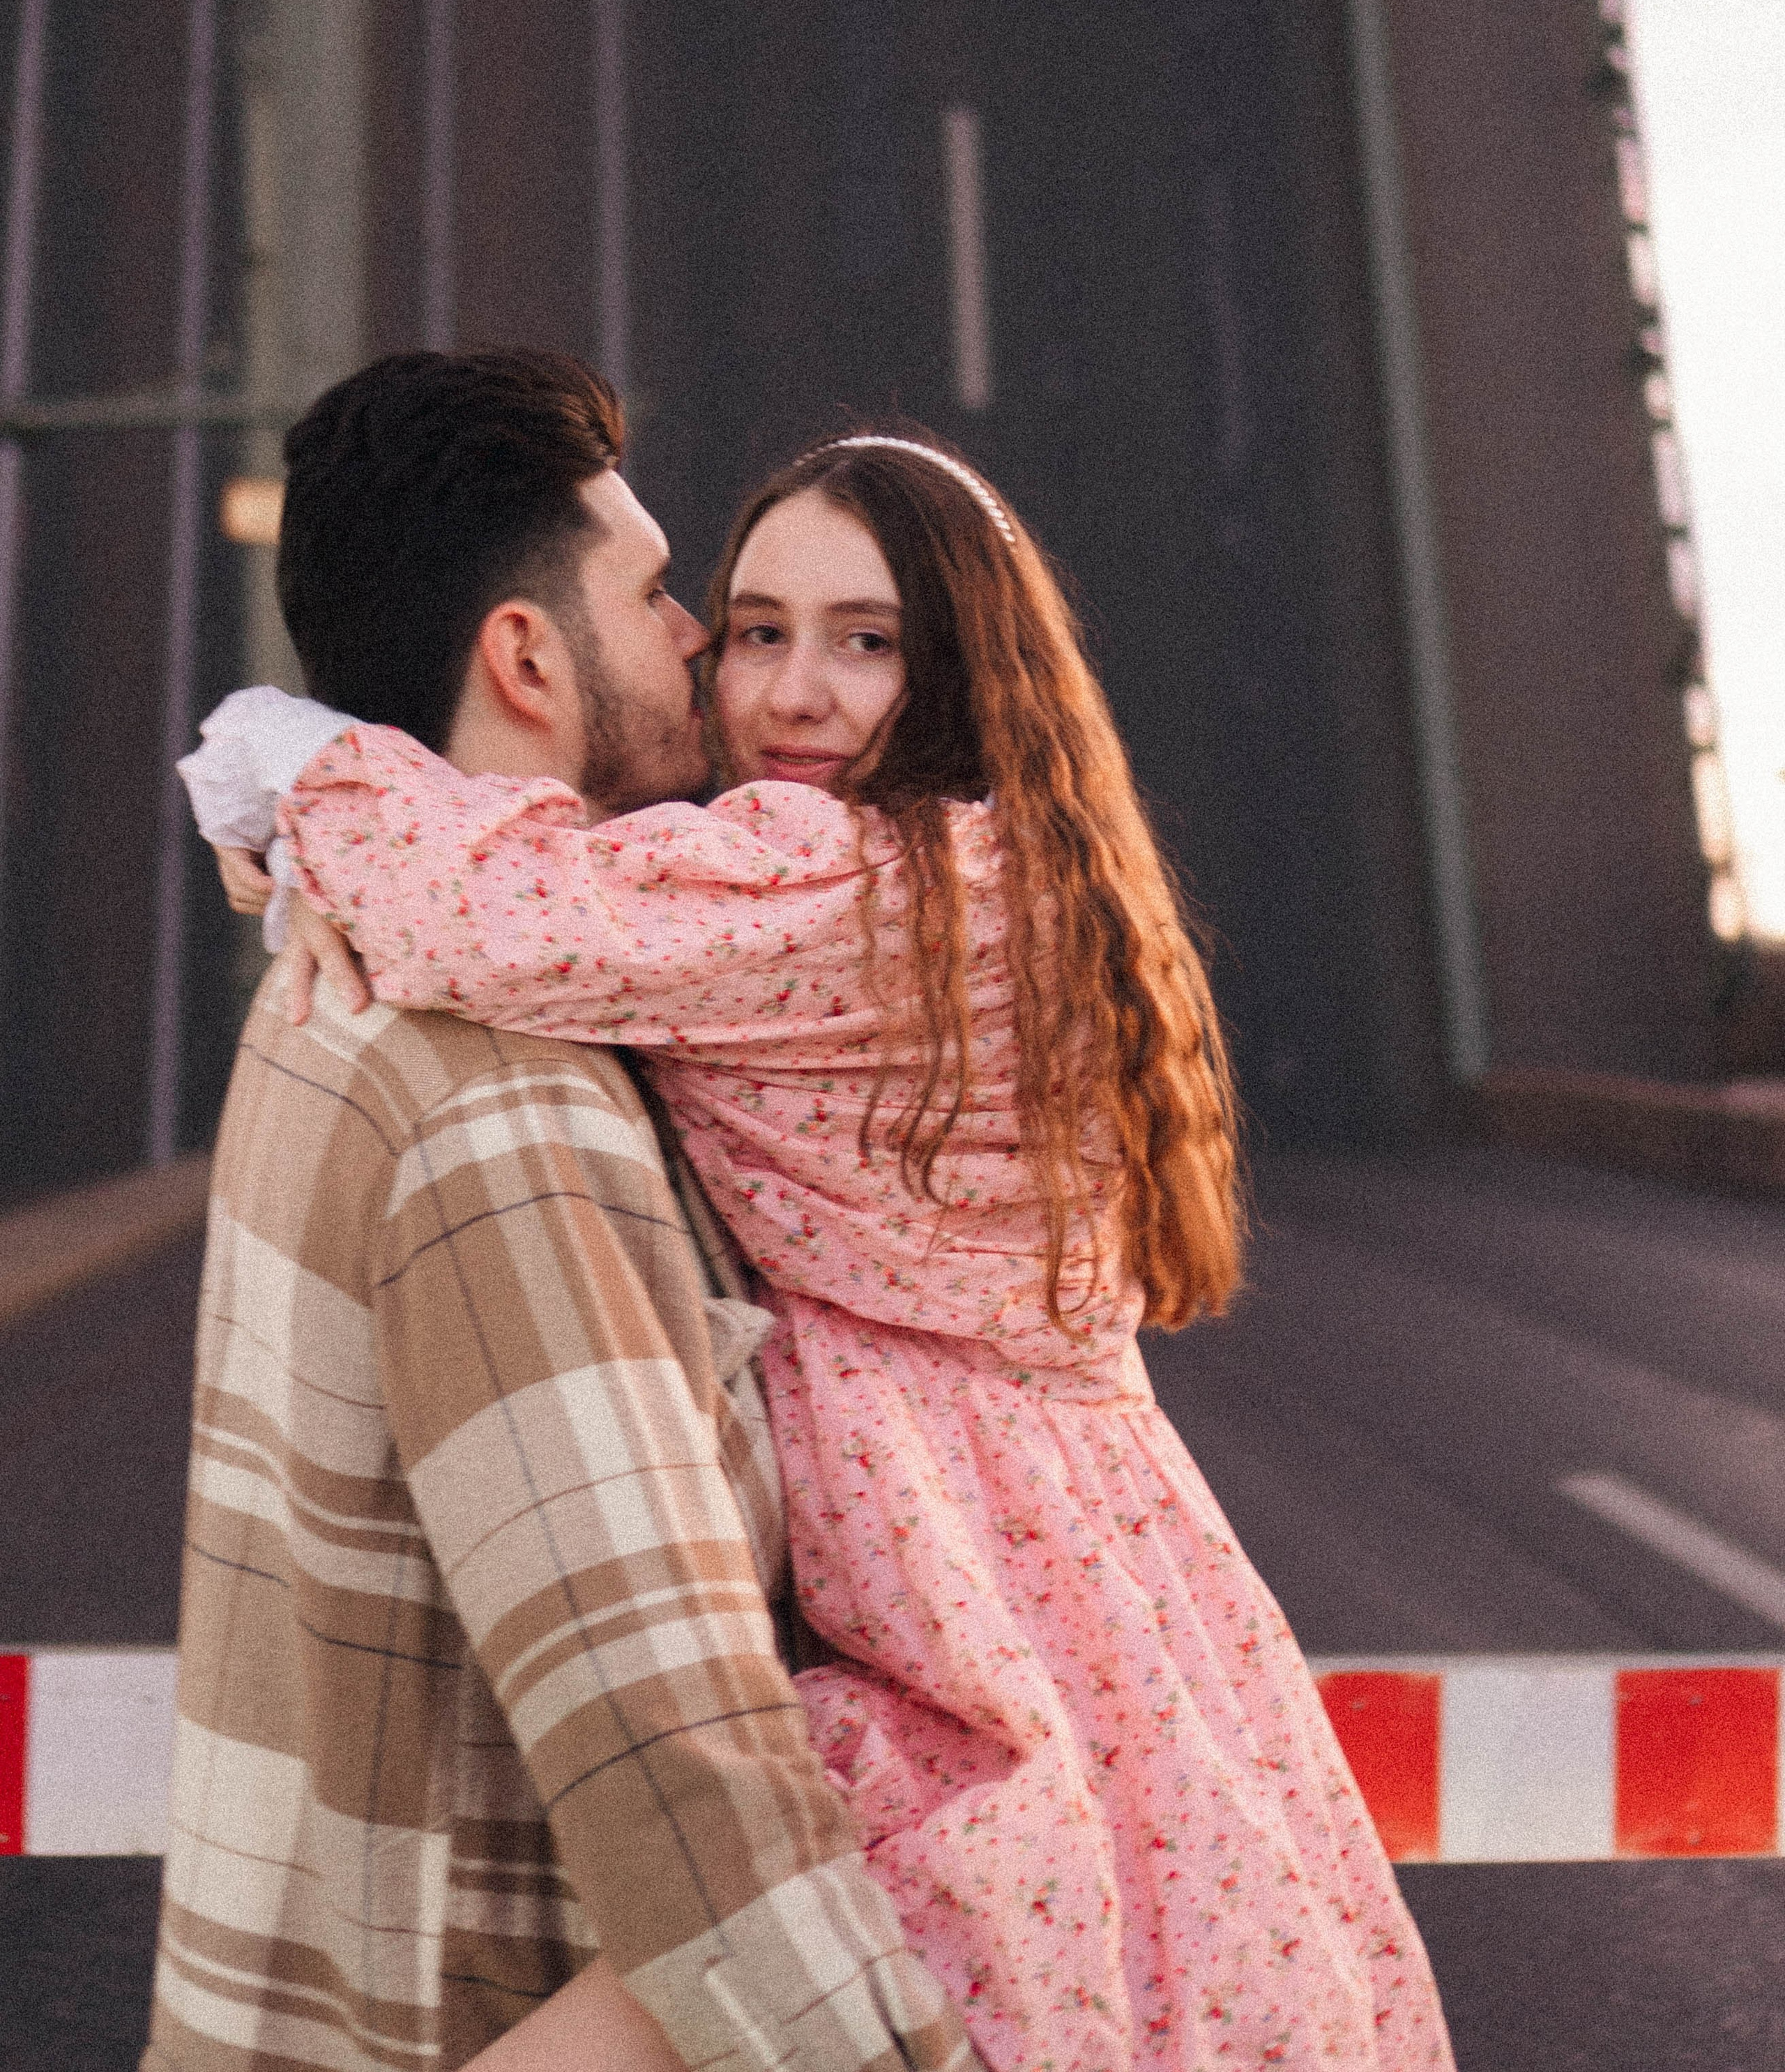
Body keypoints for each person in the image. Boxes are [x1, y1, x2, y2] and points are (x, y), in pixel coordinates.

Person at [192, 404, 1456, 2071]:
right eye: (754, 631)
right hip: (1083, 1575)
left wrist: (275, 760)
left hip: (977, 1591)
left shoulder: (853, 885)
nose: (790, 692)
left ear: (961, 672)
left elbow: (482, 915)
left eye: (865, 644)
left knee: (815, 1940)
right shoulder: (967, 869)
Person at [152, 351, 981, 2072]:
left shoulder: (358, 981)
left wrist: (292, 806)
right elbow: (670, 1755)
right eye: (661, 593)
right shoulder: (505, 1106)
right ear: (528, 655)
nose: (699, 641)